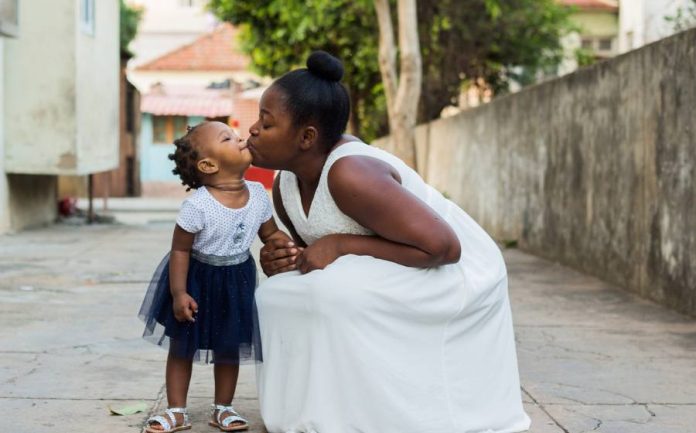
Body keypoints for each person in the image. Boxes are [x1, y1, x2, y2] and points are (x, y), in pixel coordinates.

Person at [248, 51, 531, 433]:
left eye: (266, 123)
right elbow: (312, 258)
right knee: (276, 293)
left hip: (457, 272)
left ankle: (374, 417)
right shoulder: (284, 184)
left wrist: (342, 245)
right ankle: (311, 413)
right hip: (396, 261)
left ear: (306, 137)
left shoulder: (350, 173)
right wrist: (284, 260)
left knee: (333, 292)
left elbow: (445, 248)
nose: (251, 130)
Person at [138, 121, 290, 433]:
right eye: (228, 138)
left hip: (237, 279)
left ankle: (224, 408)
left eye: (236, 135)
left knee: (229, 345)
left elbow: (270, 233)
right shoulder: (198, 204)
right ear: (209, 164)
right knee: (182, 346)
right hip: (197, 279)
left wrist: (286, 245)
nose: (241, 138)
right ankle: (176, 410)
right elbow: (180, 250)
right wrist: (179, 293)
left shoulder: (259, 195)